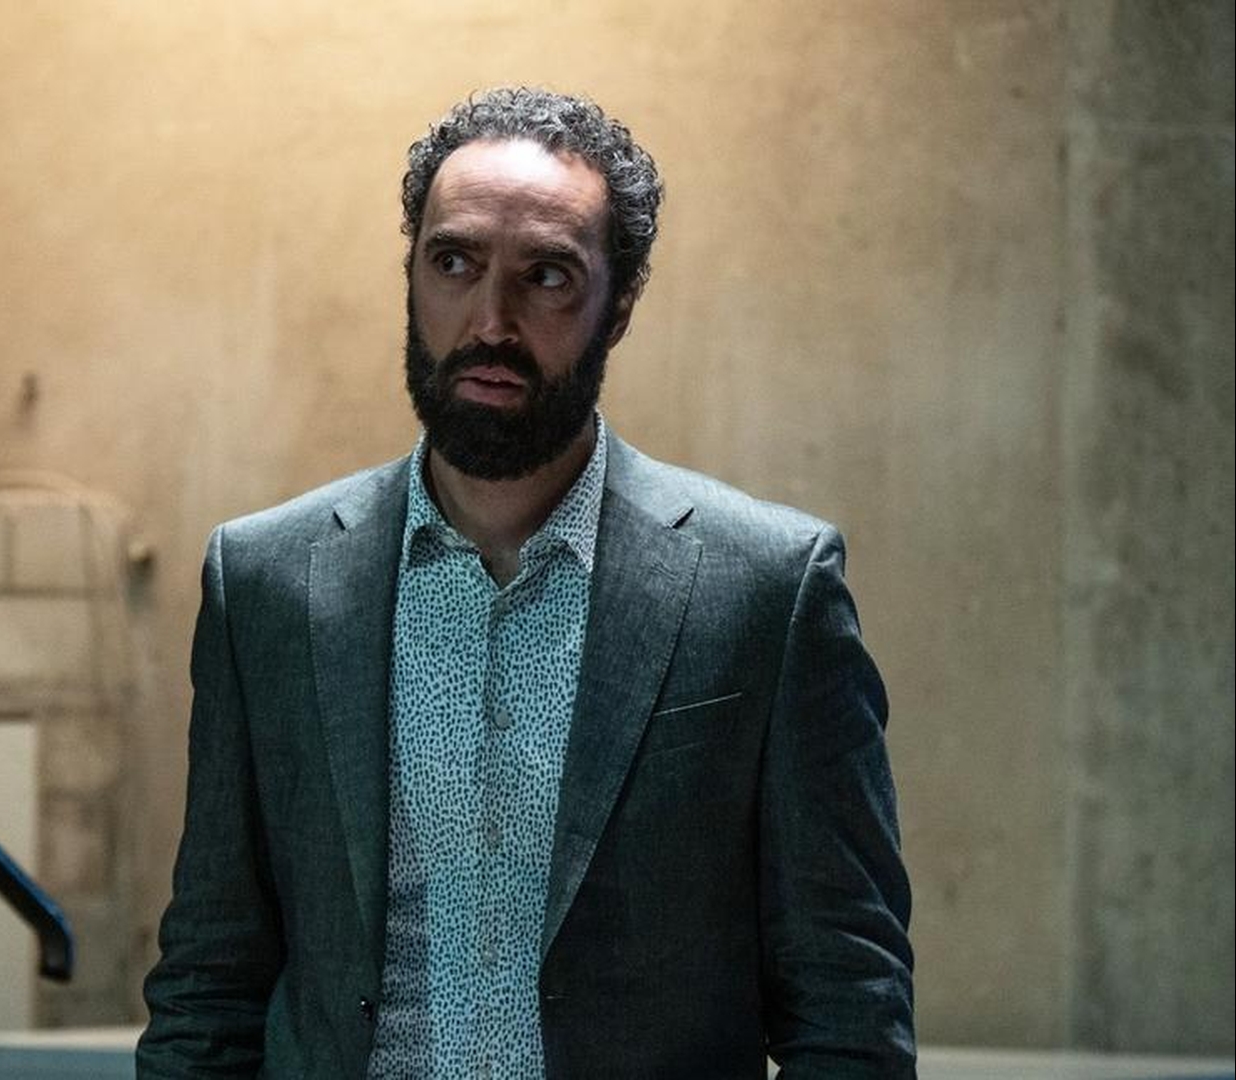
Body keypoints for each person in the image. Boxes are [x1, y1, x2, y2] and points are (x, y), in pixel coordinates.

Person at [138, 87, 915, 1078]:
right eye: (454, 263)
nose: (490, 321)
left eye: (547, 276)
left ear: (617, 308)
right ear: (411, 276)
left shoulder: (766, 591)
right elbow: (209, 984)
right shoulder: (268, 584)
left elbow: (847, 1002)